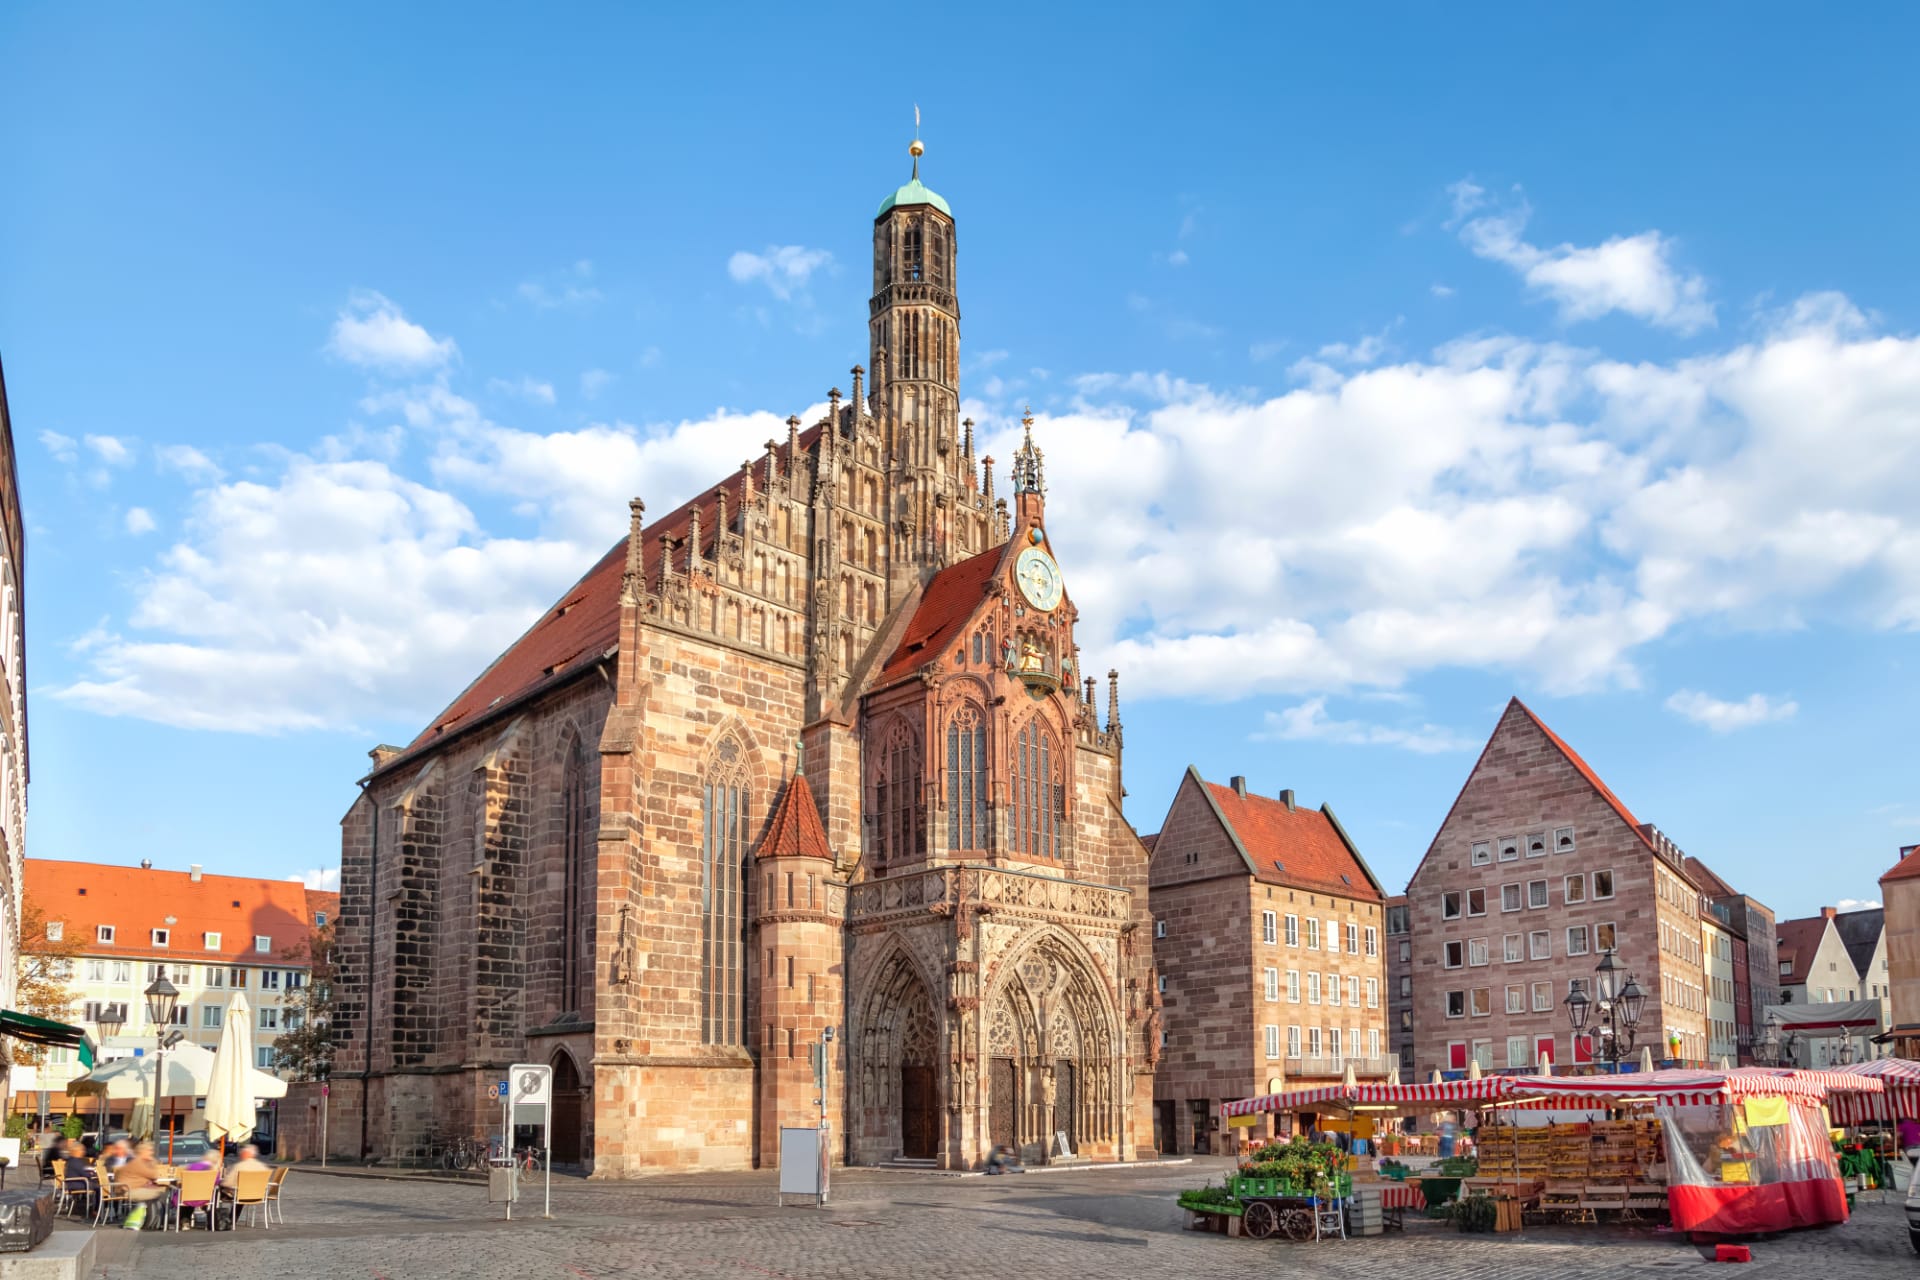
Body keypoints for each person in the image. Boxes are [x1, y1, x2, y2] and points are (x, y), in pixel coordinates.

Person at [113, 1141, 168, 1230]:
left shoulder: (138, 1161)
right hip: (129, 1190)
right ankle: (154, 1222)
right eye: (149, 1151)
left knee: (159, 1193)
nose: (152, 1152)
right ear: (142, 1152)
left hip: (133, 1188)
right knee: (160, 1194)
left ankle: (155, 1221)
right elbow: (153, 1175)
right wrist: (152, 1161)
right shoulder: (138, 1162)